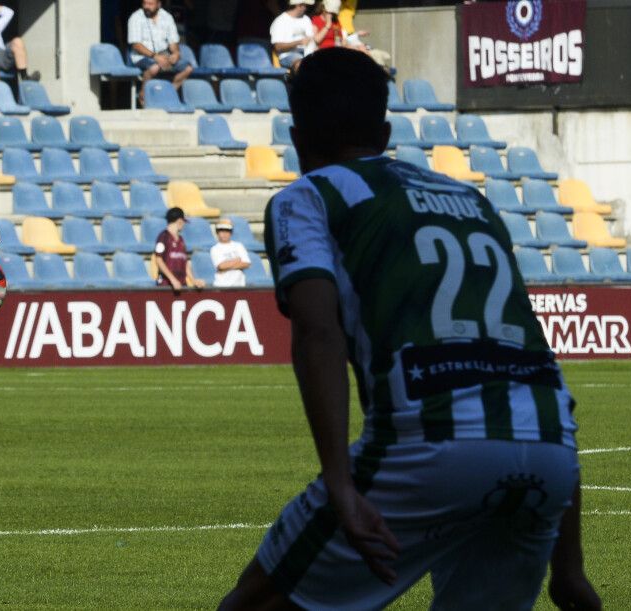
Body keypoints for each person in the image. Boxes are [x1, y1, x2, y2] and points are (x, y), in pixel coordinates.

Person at [217, 48, 600, 611]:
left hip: (428, 449)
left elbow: (317, 333)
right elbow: (535, 369)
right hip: (548, 457)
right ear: (387, 129)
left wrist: (341, 484)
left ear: (297, 139)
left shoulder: (308, 198)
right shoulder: (470, 201)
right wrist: (569, 569)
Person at [127, 0, 193, 106]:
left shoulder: (167, 17)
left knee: (188, 68)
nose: (147, 6)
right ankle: (143, 95)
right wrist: (155, 56)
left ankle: (167, 93)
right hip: (141, 56)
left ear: (158, 4)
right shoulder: (136, 17)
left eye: (150, 4)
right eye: (145, 3)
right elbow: (136, 45)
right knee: (154, 67)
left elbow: (173, 42)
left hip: (163, 55)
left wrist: (176, 53)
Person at [153, 207, 204, 291]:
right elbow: (159, 259)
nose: (184, 224)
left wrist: (193, 280)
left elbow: (185, 262)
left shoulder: (181, 240)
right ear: (179, 221)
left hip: (181, 285)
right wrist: (172, 279)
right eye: (183, 221)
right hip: (166, 285)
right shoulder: (163, 237)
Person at [270, 0, 326, 73]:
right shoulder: (280, 21)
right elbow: (278, 47)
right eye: (305, 5)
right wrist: (298, 42)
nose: (306, 8)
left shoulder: (306, 19)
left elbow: (311, 41)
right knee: (301, 64)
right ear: (299, 5)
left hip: (307, 53)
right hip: (288, 55)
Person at [209, 219, 250, 288]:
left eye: (227, 231)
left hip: (239, 285)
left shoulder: (239, 245)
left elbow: (246, 263)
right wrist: (237, 260)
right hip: (222, 286)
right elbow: (221, 266)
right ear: (217, 232)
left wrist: (227, 266)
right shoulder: (215, 249)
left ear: (231, 232)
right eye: (221, 230)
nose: (224, 233)